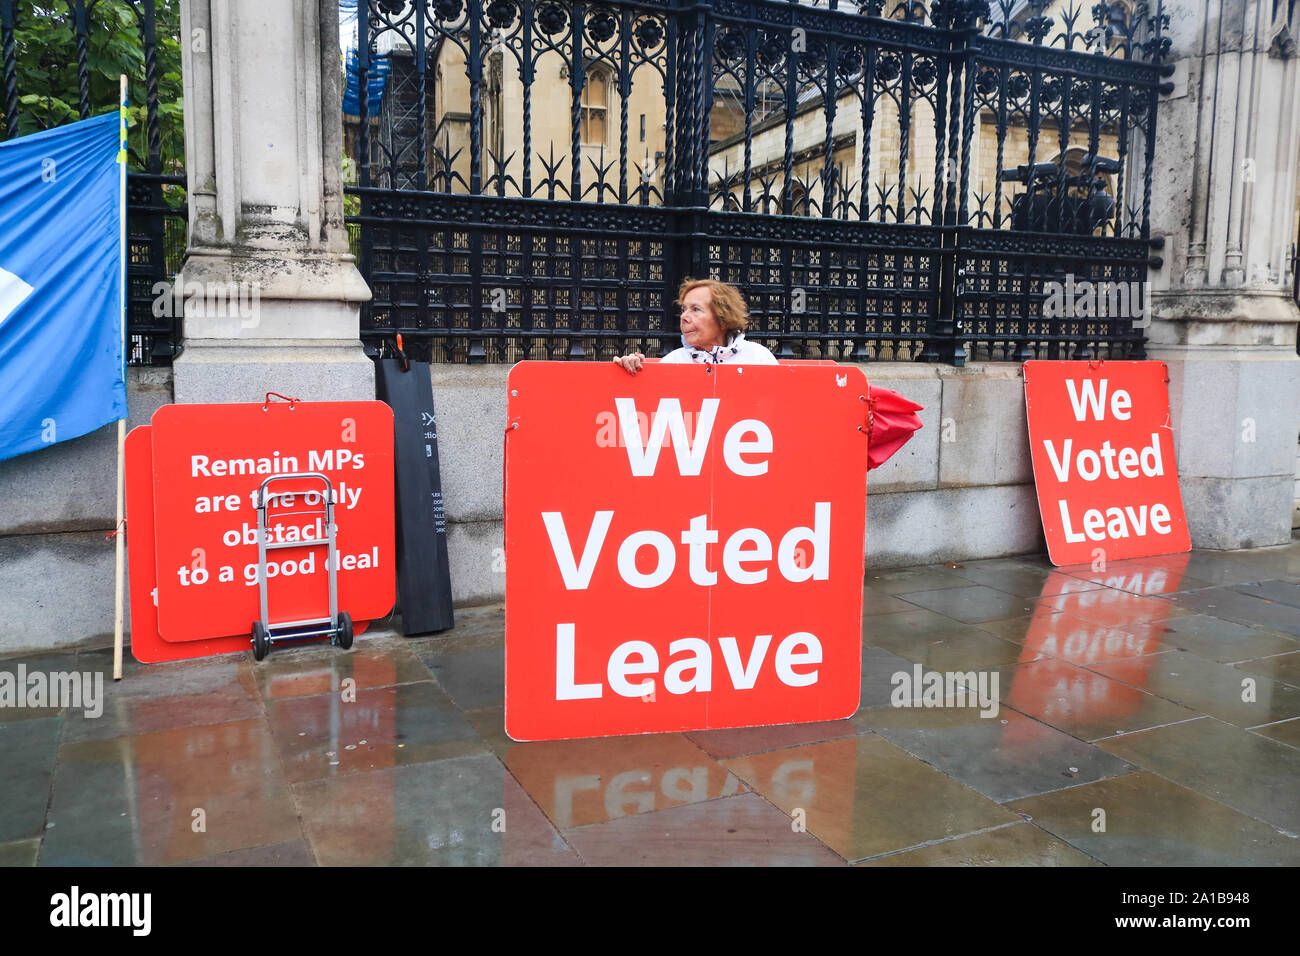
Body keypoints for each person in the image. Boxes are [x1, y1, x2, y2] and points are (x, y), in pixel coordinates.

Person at [613, 278, 777, 374]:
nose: (684, 317)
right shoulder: (673, 363)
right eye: (683, 310)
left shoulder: (758, 358)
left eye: (696, 309)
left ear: (724, 317)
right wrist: (633, 372)